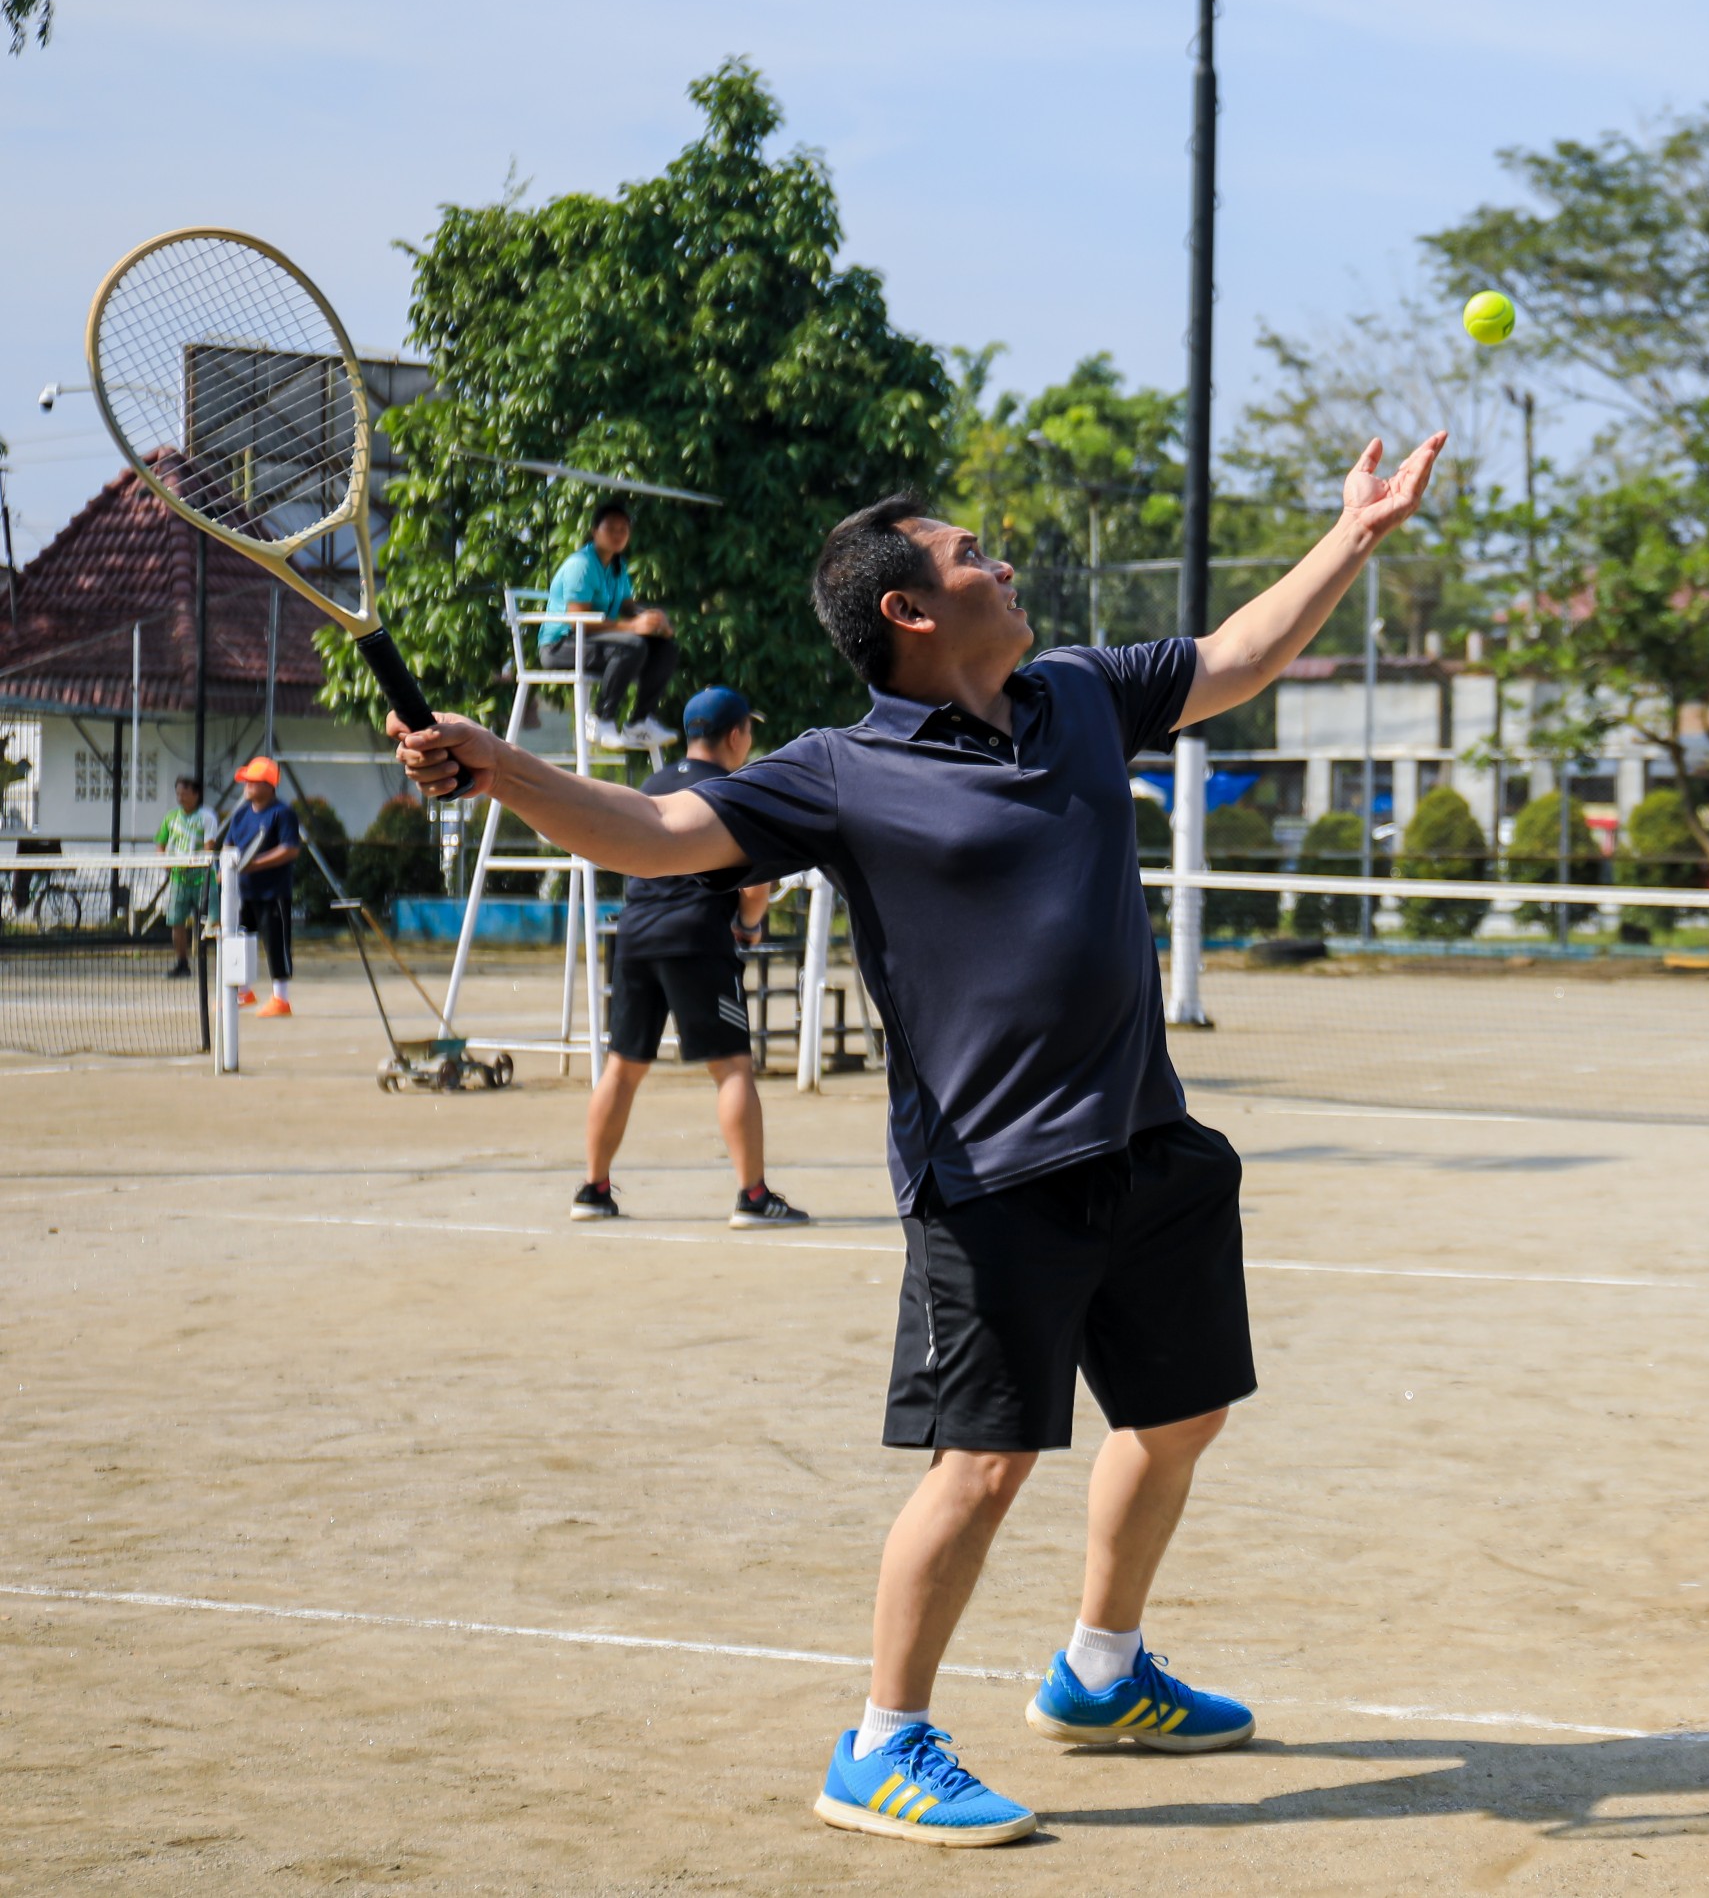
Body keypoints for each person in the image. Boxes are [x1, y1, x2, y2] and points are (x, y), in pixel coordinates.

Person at [393, 429, 1446, 1848]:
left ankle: (1099, 1669)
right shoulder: (839, 771)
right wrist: (497, 760)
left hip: (1146, 1136)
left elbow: (1239, 656)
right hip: (993, 1171)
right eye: (969, 554)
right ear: (909, 607)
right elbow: (649, 829)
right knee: (986, 1462)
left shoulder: (1073, 693)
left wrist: (1355, 534)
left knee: (1180, 1413)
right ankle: (881, 1741)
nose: (999, 561)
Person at [571, 686, 810, 1230]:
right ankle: (752, 1197)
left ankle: (593, 1188)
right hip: (697, 939)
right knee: (731, 1069)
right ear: (735, 736)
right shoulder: (735, 791)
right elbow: (755, 888)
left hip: (634, 937)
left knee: (623, 1067)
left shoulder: (652, 785)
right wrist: (749, 929)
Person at [542, 500, 680, 752]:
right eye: (611, 528)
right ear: (595, 531)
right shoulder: (581, 565)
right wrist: (634, 627)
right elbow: (577, 620)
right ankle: (600, 719)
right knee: (631, 646)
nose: (618, 534)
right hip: (560, 645)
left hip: (595, 641)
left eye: (624, 529)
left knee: (665, 649)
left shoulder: (618, 565)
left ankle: (640, 721)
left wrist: (651, 618)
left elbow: (627, 605)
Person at [221, 756, 303, 1017]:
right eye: (246, 781)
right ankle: (244, 992)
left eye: (253, 781)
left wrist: (255, 863)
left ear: (269, 785)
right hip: (243, 892)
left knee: (276, 943)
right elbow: (229, 845)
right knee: (240, 941)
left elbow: (290, 849)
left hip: (273, 892)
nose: (247, 785)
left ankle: (281, 999)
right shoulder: (241, 814)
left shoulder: (283, 813)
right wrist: (225, 869)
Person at [156, 773, 216, 977]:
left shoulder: (207, 817)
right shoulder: (170, 817)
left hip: (201, 878)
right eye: (178, 793)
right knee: (176, 922)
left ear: (196, 794)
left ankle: (210, 964)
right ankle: (182, 963)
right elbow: (161, 842)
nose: (180, 797)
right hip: (178, 878)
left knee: (210, 922)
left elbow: (210, 847)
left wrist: (207, 871)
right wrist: (164, 862)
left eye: (185, 793)